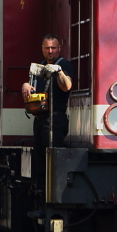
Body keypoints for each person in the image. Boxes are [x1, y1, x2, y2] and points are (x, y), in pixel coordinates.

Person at [21, 34, 74, 175]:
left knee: (53, 162)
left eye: (53, 48)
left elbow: (67, 86)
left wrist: (59, 72)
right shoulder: (40, 66)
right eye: (47, 48)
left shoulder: (64, 65)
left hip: (54, 120)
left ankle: (52, 193)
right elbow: (33, 86)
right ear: (42, 49)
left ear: (59, 48)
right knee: (40, 162)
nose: (50, 51)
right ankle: (42, 192)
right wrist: (25, 85)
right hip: (39, 120)